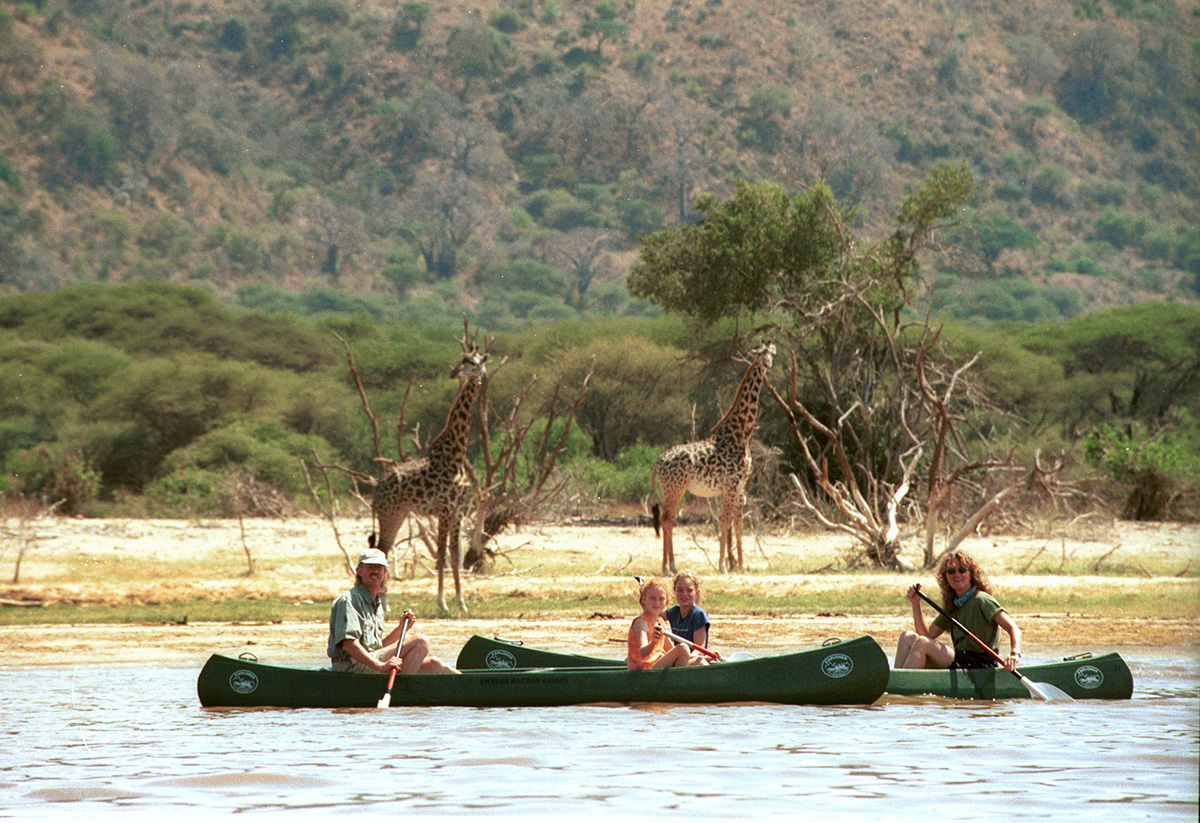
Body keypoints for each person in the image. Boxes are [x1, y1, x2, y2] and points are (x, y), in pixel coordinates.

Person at [327, 549, 458, 674]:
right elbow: (349, 645)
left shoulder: (376, 604)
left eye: (380, 568)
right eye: (371, 567)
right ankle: (401, 691)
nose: (376, 571)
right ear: (359, 571)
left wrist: (401, 629)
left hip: (368, 662)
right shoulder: (349, 600)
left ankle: (472, 685)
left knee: (434, 665)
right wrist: (381, 666)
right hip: (351, 667)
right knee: (421, 641)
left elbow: (377, 648)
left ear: (385, 573)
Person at [894, 550, 1023, 672]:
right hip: (960, 659)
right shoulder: (952, 605)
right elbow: (927, 635)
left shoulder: (982, 600)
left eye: (962, 570)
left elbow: (1014, 629)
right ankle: (895, 680)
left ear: (971, 574)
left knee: (922, 643)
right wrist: (916, 604)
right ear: (945, 577)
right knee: (906, 637)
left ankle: (900, 688)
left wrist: (1014, 654)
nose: (957, 575)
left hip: (980, 665)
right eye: (951, 571)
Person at [627, 578, 709, 670]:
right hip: (642, 671)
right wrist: (653, 642)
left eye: (661, 599)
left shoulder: (660, 622)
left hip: (655, 668)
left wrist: (702, 658)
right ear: (644, 599)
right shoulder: (641, 622)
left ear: (666, 602)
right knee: (683, 648)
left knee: (699, 661)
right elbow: (643, 652)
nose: (656, 602)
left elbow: (671, 651)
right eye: (652, 598)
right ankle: (676, 682)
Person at [666, 571, 711, 650]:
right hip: (678, 658)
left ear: (697, 592)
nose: (684, 594)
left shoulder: (698, 615)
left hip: (694, 659)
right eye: (680, 590)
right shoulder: (673, 612)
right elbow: (653, 614)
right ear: (674, 591)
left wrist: (682, 661)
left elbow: (699, 650)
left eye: (689, 590)